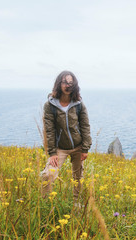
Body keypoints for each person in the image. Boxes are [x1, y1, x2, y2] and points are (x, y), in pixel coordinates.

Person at [41, 70, 92, 203]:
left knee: (78, 177)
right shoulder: (50, 105)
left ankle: (77, 203)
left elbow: (85, 126)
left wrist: (85, 148)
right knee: (48, 175)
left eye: (71, 82)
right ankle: (47, 205)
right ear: (59, 84)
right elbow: (49, 130)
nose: (68, 85)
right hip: (60, 148)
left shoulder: (79, 104)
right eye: (65, 82)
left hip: (78, 147)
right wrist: (52, 153)